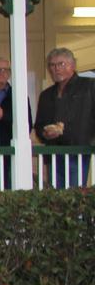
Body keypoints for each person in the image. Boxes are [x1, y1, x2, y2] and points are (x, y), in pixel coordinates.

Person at [34, 47, 95, 188]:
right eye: (52, 65)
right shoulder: (46, 95)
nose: (56, 69)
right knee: (55, 200)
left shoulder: (89, 87)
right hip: (53, 154)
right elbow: (39, 125)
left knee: (75, 198)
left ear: (72, 65)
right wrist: (45, 134)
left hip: (77, 153)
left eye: (61, 64)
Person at [0, 57, 30, 189]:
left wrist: (3, 115)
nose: (2, 73)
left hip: (7, 150)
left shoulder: (18, 95)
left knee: (7, 189)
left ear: (10, 74)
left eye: (6, 70)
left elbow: (27, 123)